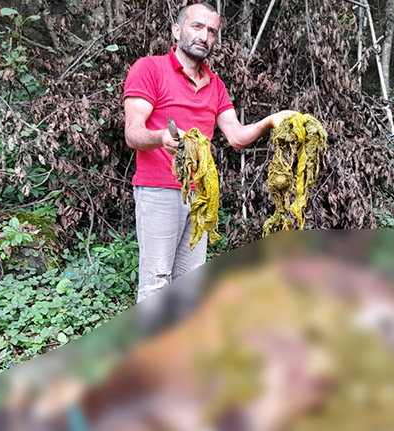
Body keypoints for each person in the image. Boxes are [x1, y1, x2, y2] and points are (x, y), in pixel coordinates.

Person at [122, 1, 295, 309]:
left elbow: (237, 137)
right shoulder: (150, 69)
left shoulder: (215, 85)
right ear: (177, 30)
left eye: (211, 31)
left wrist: (271, 120)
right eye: (197, 27)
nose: (204, 36)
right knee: (157, 283)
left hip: (201, 196)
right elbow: (133, 134)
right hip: (159, 190)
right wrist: (162, 137)